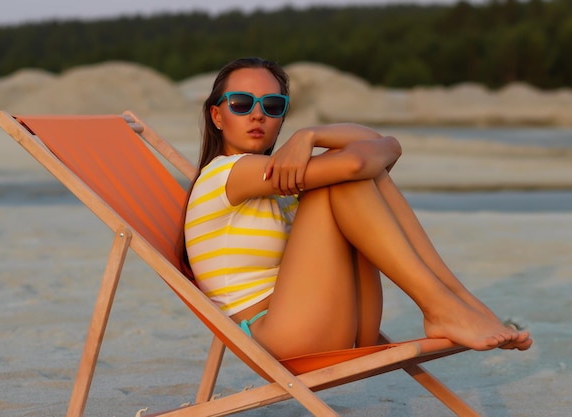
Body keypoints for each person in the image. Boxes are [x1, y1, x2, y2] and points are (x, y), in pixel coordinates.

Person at [180, 57, 532, 360]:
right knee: (343, 175)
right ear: (217, 115)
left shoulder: (277, 185)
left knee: (355, 172)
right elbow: (359, 162)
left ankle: (456, 300)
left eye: (272, 106)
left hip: (336, 321)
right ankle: (442, 306)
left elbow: (381, 147)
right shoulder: (228, 174)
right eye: (241, 103)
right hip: (285, 338)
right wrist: (361, 148)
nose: (258, 115)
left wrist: (311, 135)